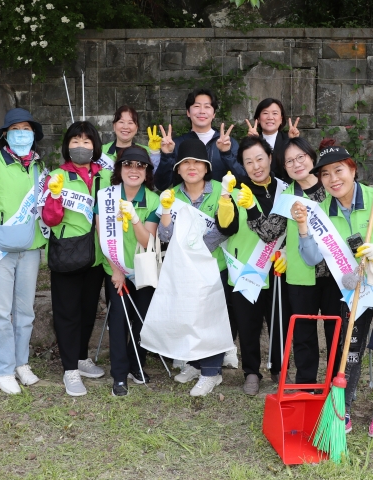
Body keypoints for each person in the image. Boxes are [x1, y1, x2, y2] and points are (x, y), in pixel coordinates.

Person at [293, 139, 373, 438]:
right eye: (325, 174)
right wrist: (302, 226)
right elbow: (311, 258)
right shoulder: (320, 211)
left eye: (339, 171)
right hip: (356, 289)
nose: (333, 179)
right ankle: (344, 409)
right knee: (350, 350)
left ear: (353, 170)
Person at [156, 136, 240, 396]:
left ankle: (211, 372)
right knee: (190, 317)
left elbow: (226, 229)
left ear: (206, 167)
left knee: (211, 320)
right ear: (178, 169)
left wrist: (197, 249)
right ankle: (194, 364)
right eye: (185, 163)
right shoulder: (171, 195)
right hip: (183, 269)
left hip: (213, 266)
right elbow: (165, 237)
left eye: (197, 163)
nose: (191, 167)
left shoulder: (221, 190)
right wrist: (168, 213)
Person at [0, 108, 48, 395]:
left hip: (30, 247)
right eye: (15, 129)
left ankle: (20, 363)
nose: (21, 134)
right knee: (1, 312)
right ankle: (1, 368)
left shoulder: (41, 167)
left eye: (26, 129)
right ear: (6, 134)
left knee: (25, 311)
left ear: (33, 134)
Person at [41, 121, 107, 397]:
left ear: (95, 146)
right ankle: (69, 369)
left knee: (88, 309)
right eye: (75, 142)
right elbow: (50, 218)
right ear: (67, 145)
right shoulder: (57, 176)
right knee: (67, 312)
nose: (81, 147)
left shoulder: (104, 175)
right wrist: (55, 195)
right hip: (68, 252)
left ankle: (81, 358)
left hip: (96, 256)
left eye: (87, 142)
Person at [222, 135, 290, 396]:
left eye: (260, 158)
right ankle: (251, 371)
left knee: (279, 323)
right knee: (248, 325)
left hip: (278, 270)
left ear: (270, 158)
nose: (256, 166)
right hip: (245, 268)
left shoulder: (286, 190)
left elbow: (289, 230)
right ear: (242, 165)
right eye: (248, 162)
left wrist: (286, 253)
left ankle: (279, 368)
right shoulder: (237, 192)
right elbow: (225, 227)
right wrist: (226, 201)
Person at [96, 146, 161, 397]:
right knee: (119, 321)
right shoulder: (105, 196)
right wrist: (116, 270)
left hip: (143, 270)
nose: (133, 170)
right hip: (116, 271)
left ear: (147, 172)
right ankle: (119, 375)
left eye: (140, 166)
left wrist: (134, 218)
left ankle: (137, 365)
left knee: (143, 320)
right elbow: (102, 234)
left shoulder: (153, 200)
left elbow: (148, 242)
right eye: (128, 165)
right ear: (119, 169)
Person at [275, 137, 340, 388]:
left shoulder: (333, 186)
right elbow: (270, 232)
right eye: (289, 161)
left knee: (337, 332)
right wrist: (250, 209)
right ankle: (306, 384)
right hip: (301, 275)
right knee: (303, 333)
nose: (296, 164)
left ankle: (337, 384)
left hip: (335, 274)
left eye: (300, 157)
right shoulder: (286, 197)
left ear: (311, 158)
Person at [153, 89, 246, 190]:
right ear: (188, 112)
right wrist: (167, 156)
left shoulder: (229, 143)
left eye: (207, 106)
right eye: (196, 106)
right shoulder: (176, 144)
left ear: (214, 114)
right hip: (186, 204)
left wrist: (226, 154)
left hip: (222, 202)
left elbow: (243, 180)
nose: (202, 111)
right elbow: (161, 185)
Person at [244, 98, 300, 182]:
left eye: (275, 113)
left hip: (285, 190)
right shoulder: (250, 142)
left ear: (281, 119)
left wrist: (294, 142)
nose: (270, 117)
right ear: (258, 119)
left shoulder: (288, 139)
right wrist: (253, 142)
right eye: (265, 113)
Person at [98, 105, 162, 179]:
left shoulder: (146, 152)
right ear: (114, 126)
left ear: (136, 128)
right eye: (121, 122)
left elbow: (157, 180)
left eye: (130, 123)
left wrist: (155, 152)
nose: (125, 127)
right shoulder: (100, 152)